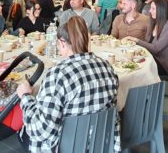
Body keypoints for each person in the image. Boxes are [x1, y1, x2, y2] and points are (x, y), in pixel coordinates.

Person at [16, 16, 119, 152]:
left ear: (62, 42)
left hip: (66, 148)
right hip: (101, 144)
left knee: (22, 133)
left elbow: (40, 130)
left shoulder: (57, 75)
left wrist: (26, 98)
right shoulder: (107, 67)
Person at [123, 0, 168, 77]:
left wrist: (136, 40)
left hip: (164, 64)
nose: (149, 11)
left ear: (161, 10)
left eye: (153, 8)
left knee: (135, 68)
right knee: (128, 60)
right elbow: (147, 43)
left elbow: (156, 49)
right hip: (151, 57)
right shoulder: (152, 23)